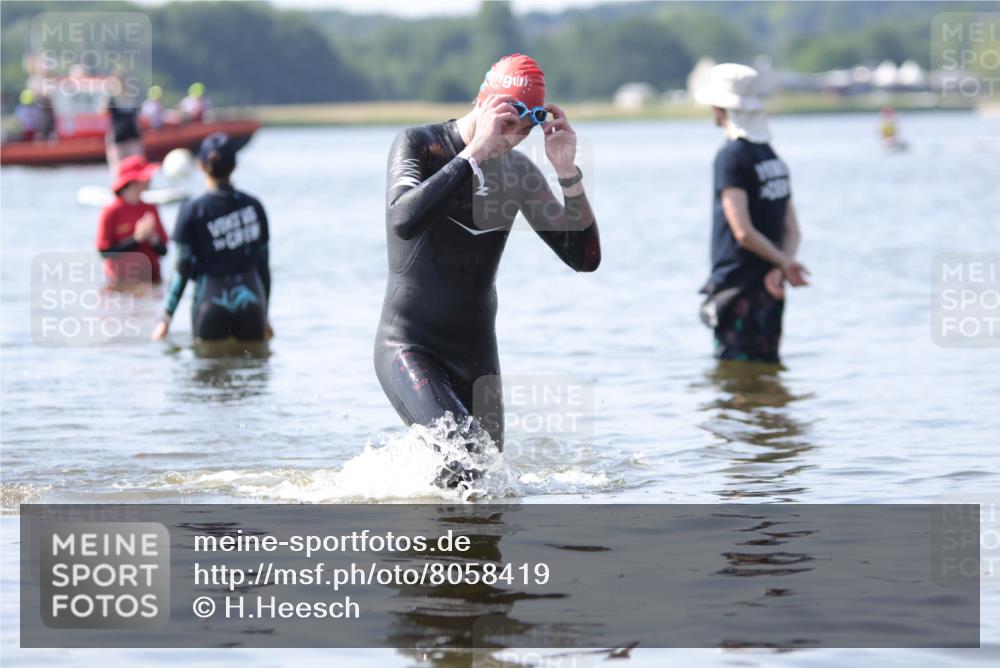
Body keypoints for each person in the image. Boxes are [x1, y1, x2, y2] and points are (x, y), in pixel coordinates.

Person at [373, 53, 601, 487]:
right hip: (409, 345)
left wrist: (567, 172)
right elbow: (403, 219)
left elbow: (583, 258)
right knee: (466, 464)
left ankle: (440, 549)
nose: (512, 137)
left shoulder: (519, 173)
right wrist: (474, 154)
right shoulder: (420, 144)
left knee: (490, 486)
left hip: (477, 356)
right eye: (505, 120)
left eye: (525, 126)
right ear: (482, 101)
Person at [694, 63, 809, 363]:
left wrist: (783, 264)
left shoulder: (730, 157)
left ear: (721, 107)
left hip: (738, 286)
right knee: (767, 364)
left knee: (735, 377)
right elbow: (793, 230)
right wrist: (782, 266)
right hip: (772, 284)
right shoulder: (773, 157)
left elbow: (742, 232)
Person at [152, 133, 272, 342]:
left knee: (208, 368)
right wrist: (265, 314)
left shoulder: (192, 210)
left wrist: (166, 318)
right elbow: (263, 265)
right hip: (251, 299)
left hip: (210, 300)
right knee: (254, 369)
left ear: (200, 165)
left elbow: (182, 268)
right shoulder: (254, 206)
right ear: (235, 166)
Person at [96, 156, 168, 287]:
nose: (150, 178)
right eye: (146, 176)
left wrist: (153, 239)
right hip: (122, 286)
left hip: (153, 282)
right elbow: (105, 252)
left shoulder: (150, 208)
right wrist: (136, 239)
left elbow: (163, 251)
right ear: (133, 181)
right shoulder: (111, 211)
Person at [105, 95, 143, 173]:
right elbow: (103, 111)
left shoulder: (133, 97)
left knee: (137, 168)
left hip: (133, 137)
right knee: (118, 169)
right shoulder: (112, 98)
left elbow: (139, 114)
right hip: (117, 139)